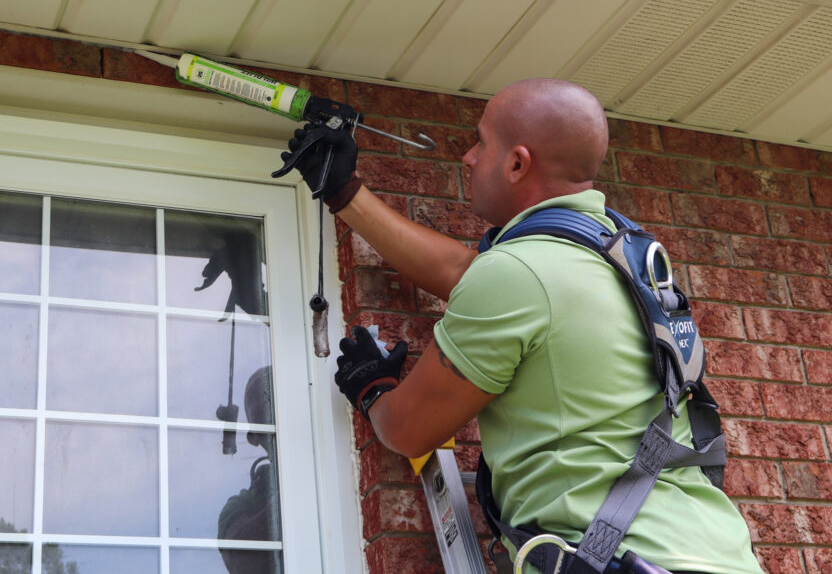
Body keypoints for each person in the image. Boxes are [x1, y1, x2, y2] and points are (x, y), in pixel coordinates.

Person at [280, 78, 763, 573]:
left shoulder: (518, 275)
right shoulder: (614, 253)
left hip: (627, 557)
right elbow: (464, 274)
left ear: (517, 163)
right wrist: (344, 192)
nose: (467, 157)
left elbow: (407, 430)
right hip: (713, 551)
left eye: (482, 142)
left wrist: (374, 390)